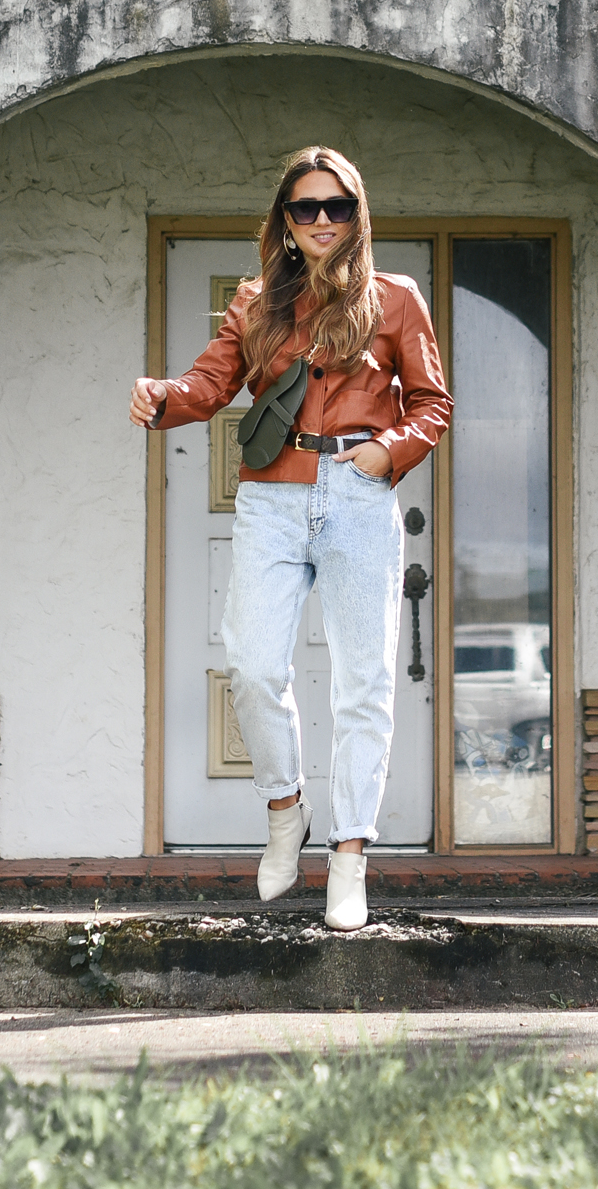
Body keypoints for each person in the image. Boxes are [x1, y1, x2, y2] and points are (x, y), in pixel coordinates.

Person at [131, 147, 450, 929]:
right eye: (303, 208)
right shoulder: (255, 303)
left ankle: (349, 855)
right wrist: (160, 396)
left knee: (364, 684)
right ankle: (285, 810)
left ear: (356, 215)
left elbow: (433, 404)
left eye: (334, 206)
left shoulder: (396, 299)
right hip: (270, 496)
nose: (319, 221)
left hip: (357, 494)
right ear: (282, 219)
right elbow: (207, 389)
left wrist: (389, 451)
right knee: (250, 661)